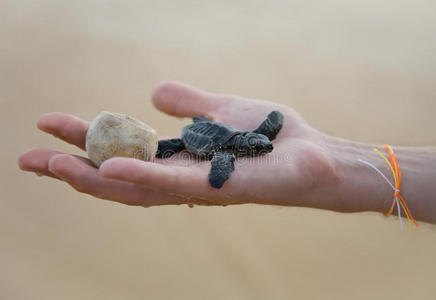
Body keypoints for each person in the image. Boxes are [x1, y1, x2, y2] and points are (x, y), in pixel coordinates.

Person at [18, 81, 436, 224]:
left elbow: (264, 132)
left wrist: (327, 160)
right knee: (178, 146)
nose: (265, 144)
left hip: (215, 133)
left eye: (263, 144)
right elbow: (222, 160)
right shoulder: (225, 152)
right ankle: (166, 146)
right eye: (260, 143)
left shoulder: (248, 141)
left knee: (199, 144)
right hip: (199, 138)